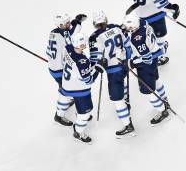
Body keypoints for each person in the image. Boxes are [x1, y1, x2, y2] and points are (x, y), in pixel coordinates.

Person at [89, 10, 136, 138]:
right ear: (106, 19)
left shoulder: (94, 37)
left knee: (116, 99)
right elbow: (127, 44)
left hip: (113, 71)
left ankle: (128, 126)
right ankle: (126, 101)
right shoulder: (116, 27)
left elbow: (95, 60)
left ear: (94, 24)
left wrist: (96, 69)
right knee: (122, 83)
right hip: (123, 65)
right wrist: (128, 59)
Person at [122, 14, 170, 125]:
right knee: (156, 80)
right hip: (154, 56)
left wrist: (132, 63)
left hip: (146, 66)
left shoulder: (137, 39)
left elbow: (147, 59)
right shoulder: (143, 22)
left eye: (129, 28)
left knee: (147, 91)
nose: (128, 29)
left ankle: (162, 111)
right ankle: (165, 100)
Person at [46, 12, 85, 126]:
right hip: (59, 70)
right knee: (65, 92)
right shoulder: (64, 34)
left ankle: (66, 101)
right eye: (67, 23)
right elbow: (74, 34)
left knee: (65, 88)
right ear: (61, 25)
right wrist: (78, 21)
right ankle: (59, 116)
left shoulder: (52, 32)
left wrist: (55, 61)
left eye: (69, 22)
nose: (69, 24)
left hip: (54, 67)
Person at [61, 31, 99, 144]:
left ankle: (79, 114)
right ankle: (78, 132)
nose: (85, 45)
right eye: (84, 44)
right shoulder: (82, 61)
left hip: (67, 85)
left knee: (79, 103)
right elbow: (89, 81)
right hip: (79, 90)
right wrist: (98, 69)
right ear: (81, 45)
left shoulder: (67, 48)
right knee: (86, 112)